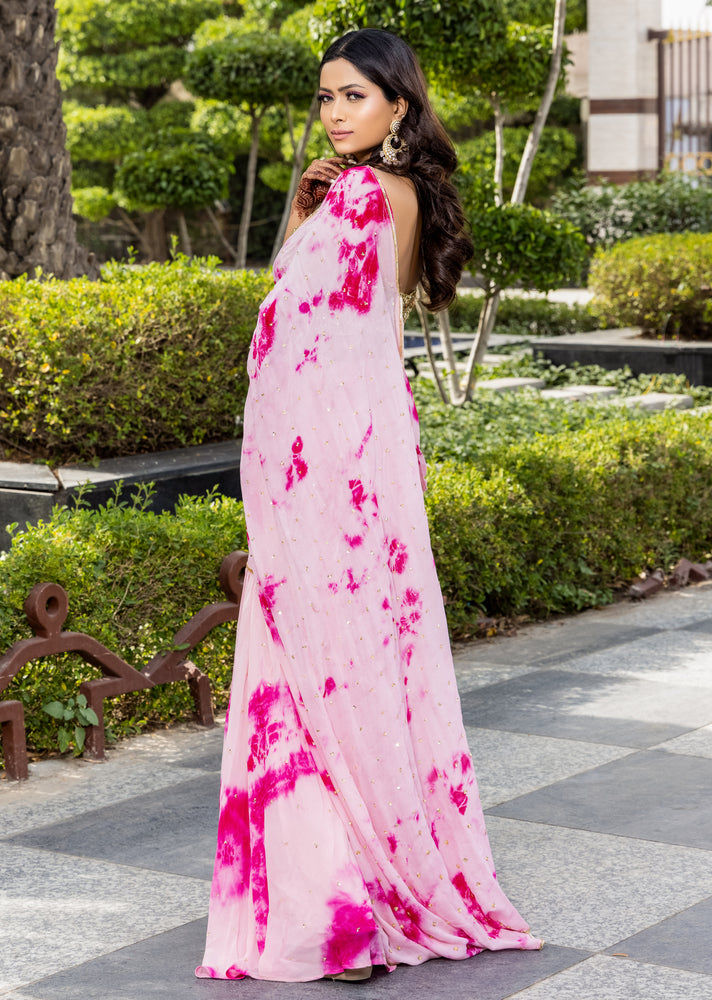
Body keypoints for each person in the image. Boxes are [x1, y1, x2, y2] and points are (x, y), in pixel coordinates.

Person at [196, 27, 543, 984]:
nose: (336, 113)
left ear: (398, 105)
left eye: (354, 96)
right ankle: (361, 880)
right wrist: (309, 209)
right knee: (359, 664)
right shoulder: (405, 196)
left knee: (315, 670)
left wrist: (309, 215)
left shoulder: (358, 196)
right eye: (325, 98)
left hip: (323, 476)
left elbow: (298, 331)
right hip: (365, 465)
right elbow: (344, 332)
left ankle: (337, 912)